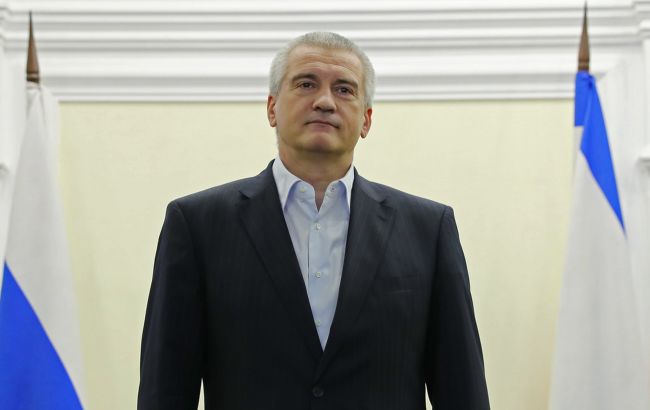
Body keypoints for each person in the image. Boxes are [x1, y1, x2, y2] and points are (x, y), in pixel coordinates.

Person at [138, 31, 490, 410]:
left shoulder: (428, 230)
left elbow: (462, 390)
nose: (324, 101)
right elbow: (165, 389)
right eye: (306, 84)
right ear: (272, 108)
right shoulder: (197, 225)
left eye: (344, 89)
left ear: (366, 120)